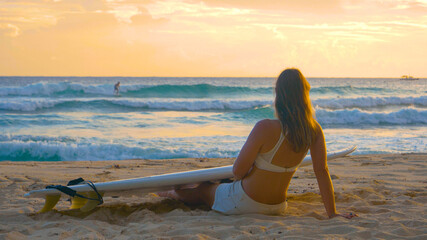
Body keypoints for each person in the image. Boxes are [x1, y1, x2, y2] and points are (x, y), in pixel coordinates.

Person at [159, 68, 356, 219]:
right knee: (220, 185)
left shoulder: (265, 127)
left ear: (279, 95)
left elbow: (237, 172)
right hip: (277, 207)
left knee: (203, 190)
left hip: (244, 202)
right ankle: (178, 192)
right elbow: (322, 172)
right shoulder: (313, 130)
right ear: (304, 94)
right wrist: (333, 214)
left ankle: (170, 193)